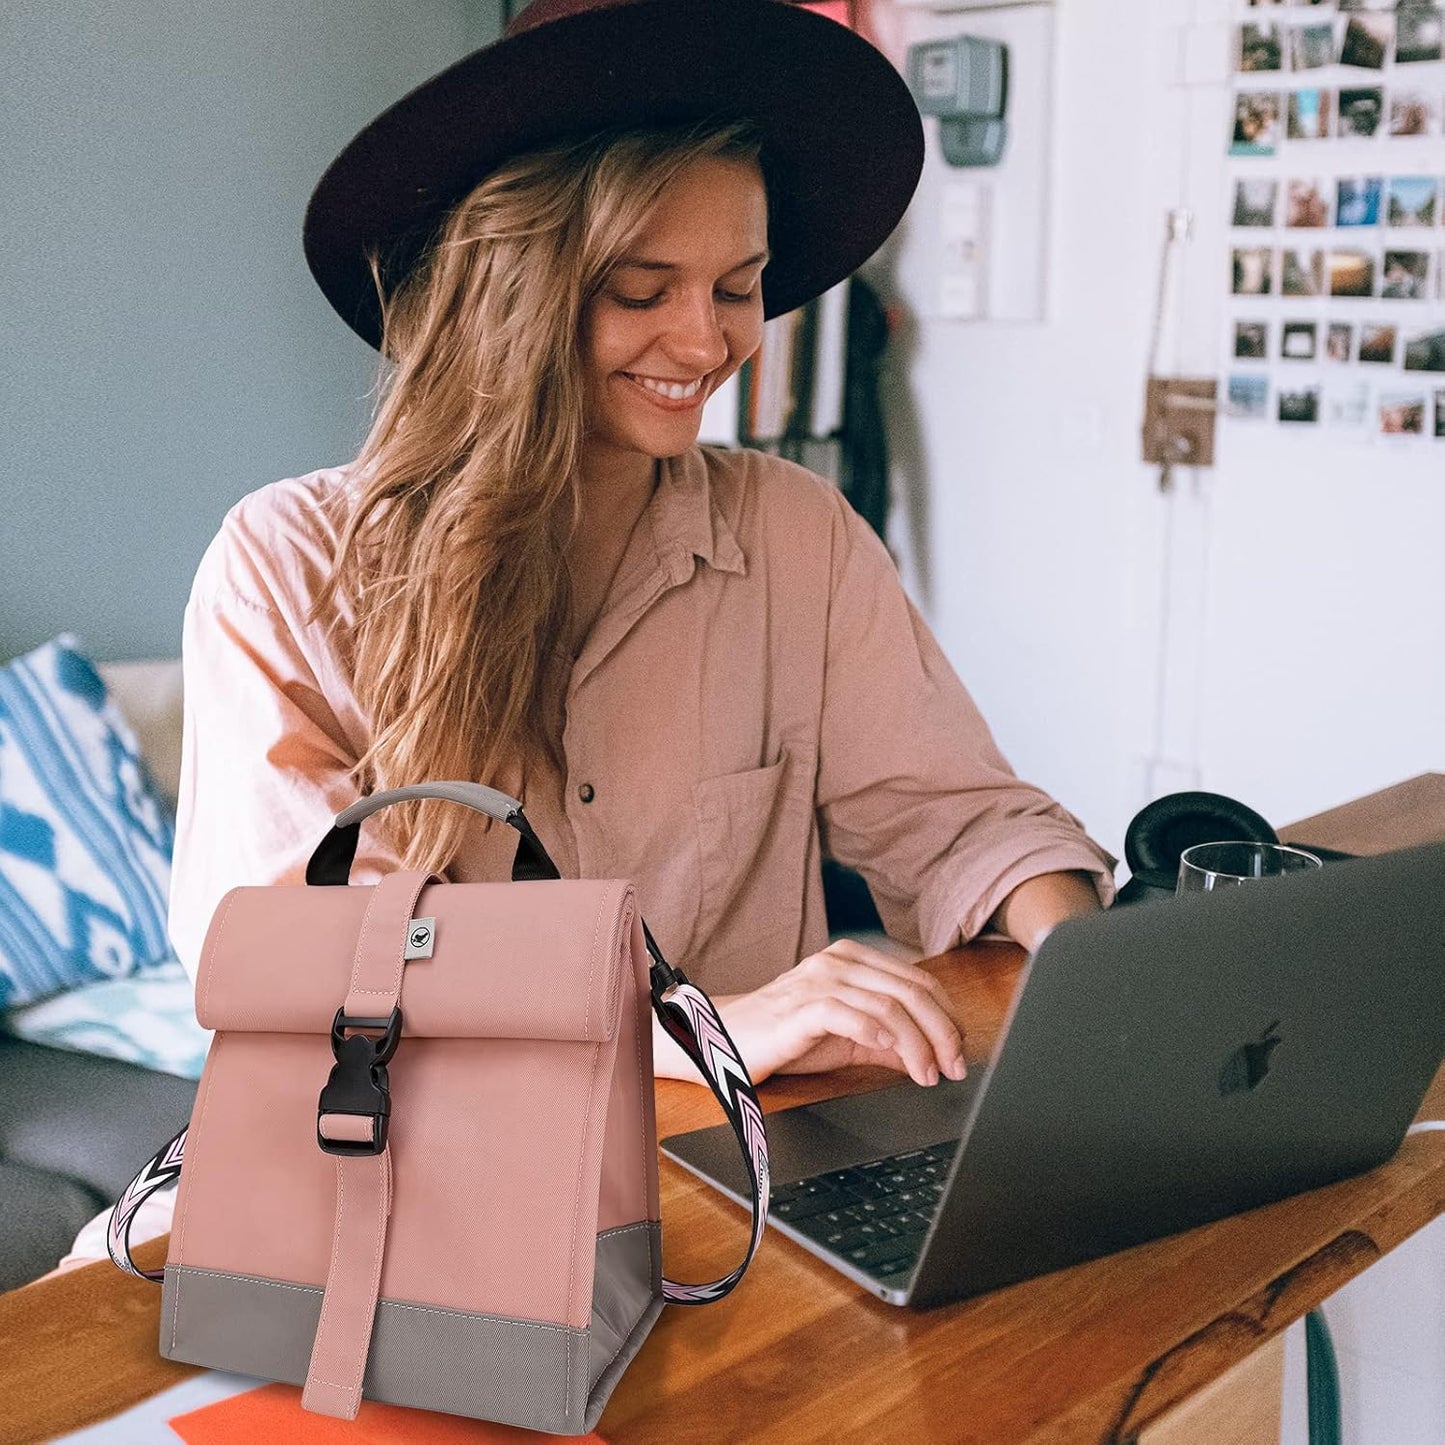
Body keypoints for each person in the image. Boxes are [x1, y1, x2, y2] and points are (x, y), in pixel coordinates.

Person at [162, 0, 1116, 1094]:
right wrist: (697, 1032)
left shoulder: (795, 537)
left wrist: (1087, 967)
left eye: (738, 288)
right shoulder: (287, 564)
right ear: (510, 293)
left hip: (732, 1183)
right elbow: (304, 952)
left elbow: (958, 819)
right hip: (423, 1192)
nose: (706, 342)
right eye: (640, 291)